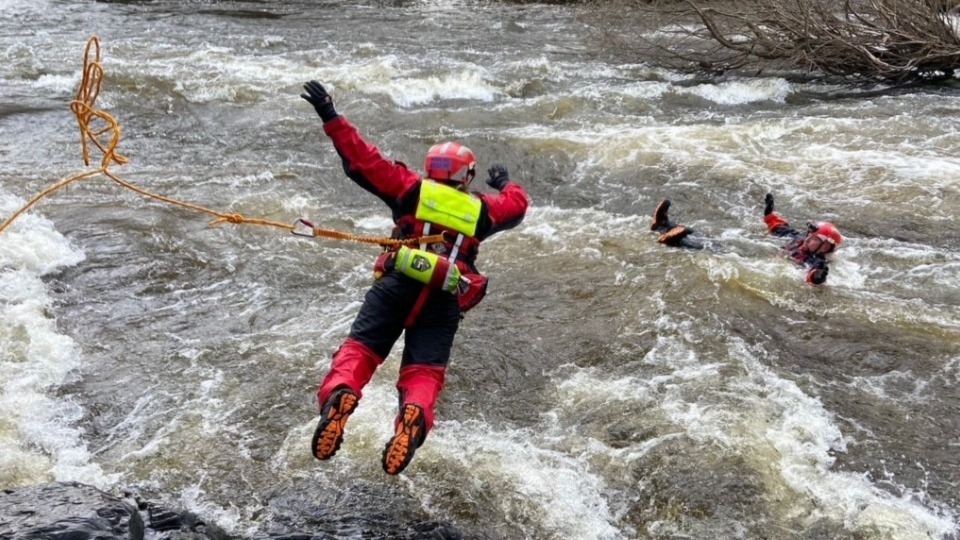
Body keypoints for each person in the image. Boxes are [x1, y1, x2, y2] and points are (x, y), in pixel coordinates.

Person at [300, 80, 529, 475]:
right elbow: (518, 205)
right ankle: (413, 414)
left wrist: (330, 115)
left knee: (359, 351)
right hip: (443, 299)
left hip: (396, 286)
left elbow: (362, 160)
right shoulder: (482, 210)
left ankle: (341, 395)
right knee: (424, 373)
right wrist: (505, 182)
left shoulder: (409, 189)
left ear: (430, 170)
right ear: (466, 177)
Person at [649, 193, 842, 285]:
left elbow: (813, 275)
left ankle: (673, 241)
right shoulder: (799, 238)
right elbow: (780, 228)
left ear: (825, 247)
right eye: (811, 235)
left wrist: (817, 277)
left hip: (762, 263)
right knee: (713, 240)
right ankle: (664, 224)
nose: (809, 239)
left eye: (815, 239)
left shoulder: (815, 260)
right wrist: (770, 213)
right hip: (763, 252)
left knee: (717, 250)